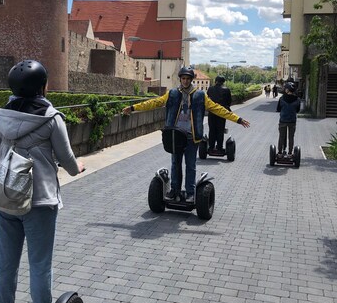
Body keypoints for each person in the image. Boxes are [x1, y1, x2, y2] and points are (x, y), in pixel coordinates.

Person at [0, 60, 85, 303]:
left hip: (6, 197)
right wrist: (76, 168)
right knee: (40, 264)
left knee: (5, 262)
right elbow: (66, 157)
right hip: (40, 202)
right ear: (42, 86)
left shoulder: (0, 116)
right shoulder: (51, 117)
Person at [122, 67, 250, 202]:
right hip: (175, 135)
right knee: (175, 164)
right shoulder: (172, 93)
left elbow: (217, 109)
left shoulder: (200, 95)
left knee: (190, 165)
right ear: (180, 79)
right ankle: (174, 190)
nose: (185, 81)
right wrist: (133, 108)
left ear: (191, 80)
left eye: (188, 79)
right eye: (183, 78)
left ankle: (190, 192)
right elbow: (154, 102)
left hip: (191, 136)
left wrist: (238, 119)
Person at [207, 75, 232, 154]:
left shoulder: (210, 89)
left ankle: (211, 147)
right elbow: (229, 101)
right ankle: (219, 148)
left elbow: (207, 99)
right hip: (222, 112)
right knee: (220, 130)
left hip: (212, 112)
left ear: (216, 81)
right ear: (223, 82)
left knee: (212, 130)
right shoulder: (226, 90)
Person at [276, 81, 301, 156]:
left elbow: (278, 109)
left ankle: (280, 152)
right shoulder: (297, 100)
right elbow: (297, 110)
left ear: (287, 90)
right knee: (291, 137)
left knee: (281, 136)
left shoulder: (282, 99)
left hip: (283, 120)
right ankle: (290, 152)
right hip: (292, 121)